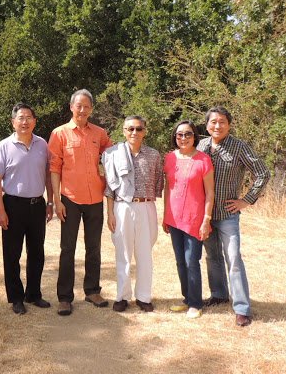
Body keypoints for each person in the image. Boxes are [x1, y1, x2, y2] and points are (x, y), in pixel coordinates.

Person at [197, 106, 270, 327]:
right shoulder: (201, 146)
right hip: (206, 214)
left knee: (234, 259)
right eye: (213, 122)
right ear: (207, 125)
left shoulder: (239, 147)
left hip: (228, 214)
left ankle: (242, 308)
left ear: (229, 125)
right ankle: (219, 294)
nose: (217, 126)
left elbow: (263, 173)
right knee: (212, 257)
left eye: (222, 122)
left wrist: (246, 200)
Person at [48, 89, 113, 316]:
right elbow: (54, 169)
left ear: (91, 109)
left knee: (94, 248)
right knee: (67, 249)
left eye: (87, 106)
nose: (82, 110)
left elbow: (112, 156)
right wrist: (57, 201)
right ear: (71, 107)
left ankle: (92, 291)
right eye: (79, 106)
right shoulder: (59, 134)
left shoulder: (100, 134)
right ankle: (65, 297)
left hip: (95, 198)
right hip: (70, 199)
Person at [0, 103, 54, 315]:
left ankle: (33, 294)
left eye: (28, 117)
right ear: (13, 122)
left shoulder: (42, 144)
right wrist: (1, 211)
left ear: (35, 121)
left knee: (37, 253)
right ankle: (16, 298)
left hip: (37, 205)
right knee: (12, 254)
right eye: (20, 118)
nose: (25, 121)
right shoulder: (3, 146)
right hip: (13, 206)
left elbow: (48, 175)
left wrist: (50, 202)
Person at [102, 116, 163, 313]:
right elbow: (109, 187)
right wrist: (110, 213)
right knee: (123, 254)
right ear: (124, 131)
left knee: (144, 254)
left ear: (145, 131)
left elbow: (158, 182)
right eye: (130, 129)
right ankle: (122, 297)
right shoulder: (112, 154)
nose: (134, 132)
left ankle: (144, 297)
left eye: (138, 129)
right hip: (122, 207)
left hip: (146, 206)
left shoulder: (153, 155)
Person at [163, 120, 214, 319]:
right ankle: (187, 298)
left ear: (195, 136)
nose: (183, 138)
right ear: (175, 137)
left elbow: (210, 193)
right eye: (179, 134)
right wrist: (165, 215)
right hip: (174, 218)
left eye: (188, 134)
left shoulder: (203, 160)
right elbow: (168, 189)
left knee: (191, 261)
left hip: (195, 219)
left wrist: (206, 219)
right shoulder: (169, 158)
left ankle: (195, 303)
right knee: (179, 261)